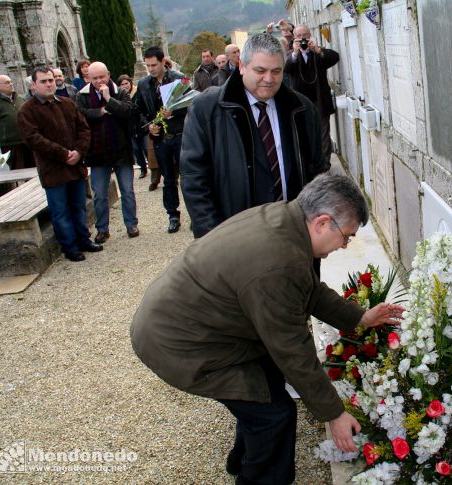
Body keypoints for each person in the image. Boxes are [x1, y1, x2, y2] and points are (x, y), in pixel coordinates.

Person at [131, 173, 405, 484]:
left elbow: (308, 291)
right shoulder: (279, 263)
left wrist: (360, 317)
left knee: (266, 386)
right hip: (182, 342)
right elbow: (293, 350)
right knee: (273, 416)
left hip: (194, 322)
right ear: (322, 223)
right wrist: (333, 413)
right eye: (347, 236)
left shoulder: (284, 221)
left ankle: (242, 460)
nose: (344, 246)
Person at [180, 33, 329, 239]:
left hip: (294, 235)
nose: (269, 79)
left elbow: (317, 171)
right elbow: (194, 179)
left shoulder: (302, 109)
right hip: (235, 239)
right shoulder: (207, 109)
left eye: (276, 71)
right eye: (260, 70)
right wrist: (213, 238)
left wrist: (315, 228)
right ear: (241, 66)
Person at [17, 67, 101, 262]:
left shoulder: (67, 104)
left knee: (79, 206)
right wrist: (63, 154)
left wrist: (79, 151)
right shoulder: (27, 111)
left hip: (75, 166)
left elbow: (84, 129)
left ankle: (83, 240)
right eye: (44, 81)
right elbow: (34, 139)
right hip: (53, 170)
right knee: (60, 211)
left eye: (51, 80)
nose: (49, 84)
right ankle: (69, 247)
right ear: (33, 85)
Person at [76, 62, 139, 243]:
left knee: (127, 190)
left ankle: (131, 224)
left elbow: (128, 111)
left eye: (101, 77)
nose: (98, 81)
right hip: (97, 153)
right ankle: (102, 228)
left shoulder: (120, 91)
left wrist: (109, 100)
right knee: (100, 194)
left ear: (108, 75)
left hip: (121, 149)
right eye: (94, 78)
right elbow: (80, 115)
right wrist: (101, 111)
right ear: (88, 78)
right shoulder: (83, 95)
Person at [135, 46, 187, 233]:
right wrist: (148, 125)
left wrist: (175, 111)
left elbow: (193, 105)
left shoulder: (179, 79)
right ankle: (173, 215)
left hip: (181, 135)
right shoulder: (143, 85)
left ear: (163, 61)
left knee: (188, 177)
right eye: (148, 66)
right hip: (160, 139)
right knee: (168, 179)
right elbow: (138, 110)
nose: (151, 69)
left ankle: (196, 214)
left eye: (154, 65)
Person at [285, 24, 340, 163]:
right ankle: (309, 164)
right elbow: (286, 68)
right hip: (300, 103)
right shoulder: (291, 55)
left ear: (310, 36)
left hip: (319, 101)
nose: (303, 39)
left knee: (323, 134)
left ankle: (325, 165)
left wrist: (317, 49)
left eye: (306, 35)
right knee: (305, 134)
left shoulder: (317, 53)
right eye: (299, 36)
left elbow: (334, 57)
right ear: (294, 38)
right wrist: (295, 53)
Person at [0, 74, 35, 169]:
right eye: (7, 83)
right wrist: (3, 136)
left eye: (11, 82)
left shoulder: (21, 99)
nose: (11, 84)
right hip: (10, 144)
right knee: (17, 170)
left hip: (27, 141)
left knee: (33, 168)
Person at [118, 74, 149, 178]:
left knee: (146, 148)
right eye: (122, 84)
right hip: (130, 128)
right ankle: (143, 169)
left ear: (130, 83)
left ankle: (153, 167)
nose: (125, 86)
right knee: (136, 150)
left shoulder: (137, 93)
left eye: (126, 83)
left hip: (141, 125)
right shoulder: (120, 96)